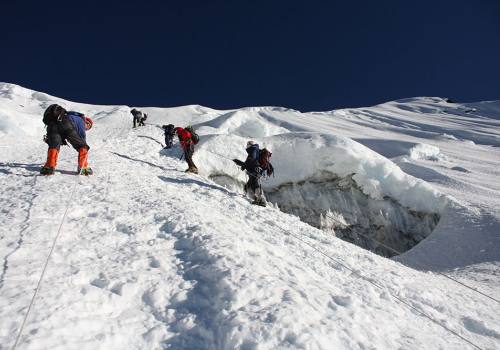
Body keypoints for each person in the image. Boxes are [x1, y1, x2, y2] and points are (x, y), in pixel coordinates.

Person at [40, 104, 93, 176]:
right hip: (66, 124)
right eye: (88, 125)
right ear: (86, 121)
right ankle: (83, 167)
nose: (87, 128)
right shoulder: (81, 120)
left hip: (52, 125)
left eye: (88, 128)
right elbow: (82, 138)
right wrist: (84, 144)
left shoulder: (68, 115)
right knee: (82, 146)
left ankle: (49, 167)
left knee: (54, 146)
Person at [233, 141, 274, 207]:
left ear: (250, 145)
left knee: (254, 182)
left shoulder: (253, 149)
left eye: (247, 145)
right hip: (258, 170)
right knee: (249, 184)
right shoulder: (256, 150)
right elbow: (250, 161)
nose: (247, 146)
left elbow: (251, 159)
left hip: (255, 170)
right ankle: (255, 198)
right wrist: (243, 164)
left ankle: (261, 199)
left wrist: (242, 165)